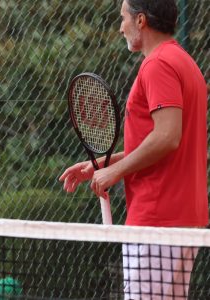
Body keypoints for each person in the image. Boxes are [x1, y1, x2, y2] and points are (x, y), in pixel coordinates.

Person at [59, 0, 208, 298]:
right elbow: (162, 142)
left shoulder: (158, 65)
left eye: (123, 18)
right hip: (181, 218)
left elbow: (167, 137)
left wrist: (114, 172)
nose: (120, 27)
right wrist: (103, 163)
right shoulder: (184, 62)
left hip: (156, 219)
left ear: (141, 21)